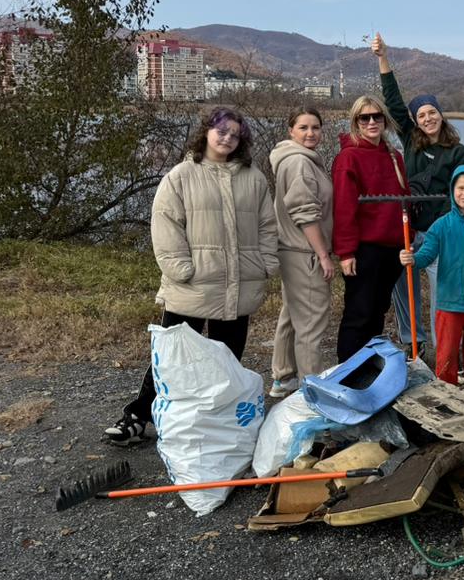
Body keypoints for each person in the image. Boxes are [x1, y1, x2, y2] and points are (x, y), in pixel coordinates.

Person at [104, 107, 277, 445]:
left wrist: (266, 262)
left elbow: (267, 225)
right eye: (221, 131)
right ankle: (137, 418)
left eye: (234, 134)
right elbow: (166, 224)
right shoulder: (181, 175)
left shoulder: (253, 178)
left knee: (226, 358)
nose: (227, 138)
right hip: (192, 286)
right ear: (206, 132)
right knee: (172, 358)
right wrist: (182, 269)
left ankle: (211, 422)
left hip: (239, 284)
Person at [375, 32, 464, 351]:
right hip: (410, 231)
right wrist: (383, 59)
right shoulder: (411, 141)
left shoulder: (458, 152)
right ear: (415, 121)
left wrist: (445, 226)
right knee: (405, 291)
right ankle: (413, 343)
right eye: (421, 115)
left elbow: (463, 194)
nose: (428, 118)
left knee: (442, 294)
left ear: (440, 114)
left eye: (432, 112)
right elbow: (392, 100)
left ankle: (443, 350)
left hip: (442, 234)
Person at [401, 166, 464, 390]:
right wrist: (412, 259)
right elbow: (426, 255)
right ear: (452, 190)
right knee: (446, 353)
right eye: (461, 188)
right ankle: (445, 393)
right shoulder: (441, 226)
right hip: (449, 303)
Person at [331, 94, 411, 361]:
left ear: (385, 120)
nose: (371, 122)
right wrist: (346, 252)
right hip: (364, 250)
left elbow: (404, 201)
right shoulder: (349, 158)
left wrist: (407, 238)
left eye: (377, 116)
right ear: (356, 122)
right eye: (364, 117)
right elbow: (344, 208)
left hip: (392, 249)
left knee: (378, 311)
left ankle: (366, 367)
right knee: (359, 312)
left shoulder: (393, 156)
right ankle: (347, 372)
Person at [268, 106, 335, 398]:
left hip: (291, 249)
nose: (310, 133)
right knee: (310, 324)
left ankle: (283, 378)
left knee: (292, 314)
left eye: (315, 128)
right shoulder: (298, 163)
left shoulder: (295, 158)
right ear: (290, 131)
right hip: (304, 252)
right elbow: (304, 212)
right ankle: (313, 393)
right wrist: (322, 254)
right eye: (303, 128)